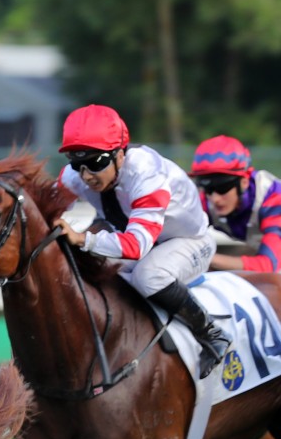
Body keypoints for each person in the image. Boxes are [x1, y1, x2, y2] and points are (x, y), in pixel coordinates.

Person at [52, 104, 230, 379]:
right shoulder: (76, 176)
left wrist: (82, 237)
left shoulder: (148, 175)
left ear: (120, 155)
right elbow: (43, 210)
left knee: (149, 276)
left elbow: (135, 247)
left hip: (188, 241)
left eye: (96, 163)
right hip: (140, 237)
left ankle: (211, 334)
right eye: (78, 163)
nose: (86, 175)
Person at [189, 134, 281, 273]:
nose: (215, 199)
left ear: (244, 182)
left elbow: (267, 266)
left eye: (222, 188)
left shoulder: (274, 199)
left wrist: (202, 258)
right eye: (208, 189)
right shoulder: (205, 202)